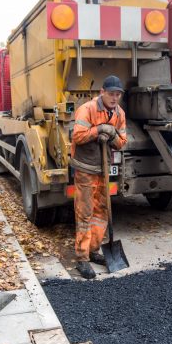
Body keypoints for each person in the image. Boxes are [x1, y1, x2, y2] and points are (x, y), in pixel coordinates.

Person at [69, 75, 128, 279]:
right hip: (85, 168)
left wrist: (111, 135)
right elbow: (77, 136)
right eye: (111, 94)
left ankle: (94, 250)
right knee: (85, 212)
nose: (114, 98)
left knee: (101, 211)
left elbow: (122, 141)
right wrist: (99, 130)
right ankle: (82, 258)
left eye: (117, 94)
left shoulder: (119, 113)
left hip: (103, 169)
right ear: (102, 92)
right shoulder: (87, 109)